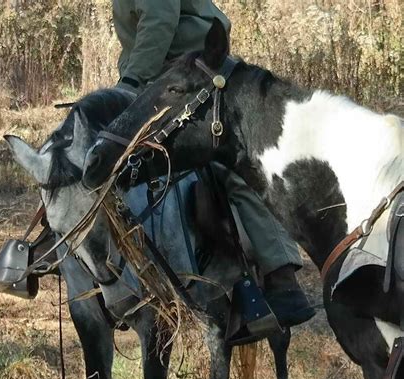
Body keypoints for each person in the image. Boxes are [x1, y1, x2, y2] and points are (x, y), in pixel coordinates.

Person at [111, 0, 315, 335]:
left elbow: (159, 19)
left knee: (231, 168)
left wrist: (132, 79)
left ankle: (281, 275)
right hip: (155, 73)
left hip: (193, 69)